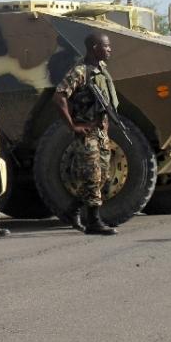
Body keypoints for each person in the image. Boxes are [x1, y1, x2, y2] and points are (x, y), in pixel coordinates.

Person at [52, 33, 118, 236]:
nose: (109, 50)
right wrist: (73, 126)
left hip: (100, 131)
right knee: (92, 176)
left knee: (103, 176)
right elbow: (59, 96)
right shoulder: (80, 71)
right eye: (106, 46)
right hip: (86, 132)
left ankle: (72, 211)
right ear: (94, 47)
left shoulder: (102, 71)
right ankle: (94, 221)